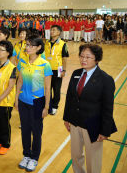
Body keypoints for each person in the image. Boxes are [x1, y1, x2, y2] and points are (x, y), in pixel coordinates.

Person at [63, 44, 117, 173]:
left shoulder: (106, 79)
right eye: (81, 56)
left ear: (97, 59)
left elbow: (108, 107)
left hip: (93, 125)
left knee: (93, 158)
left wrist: (104, 131)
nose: (83, 60)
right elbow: (70, 98)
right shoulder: (76, 73)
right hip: (75, 122)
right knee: (76, 155)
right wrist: (66, 118)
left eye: (88, 57)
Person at [16, 34, 52, 172]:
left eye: (31, 45)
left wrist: (46, 106)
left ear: (38, 48)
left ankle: (34, 158)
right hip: (23, 101)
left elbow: (48, 88)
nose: (27, 47)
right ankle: (26, 155)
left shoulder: (45, 64)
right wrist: (16, 100)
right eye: (27, 45)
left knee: (36, 132)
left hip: (38, 102)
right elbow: (19, 81)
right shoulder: (22, 61)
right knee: (25, 130)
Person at [44, 25, 69, 115]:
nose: (51, 32)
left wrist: (64, 70)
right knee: (47, 88)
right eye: (51, 30)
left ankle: (55, 106)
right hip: (47, 69)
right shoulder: (46, 43)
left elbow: (64, 58)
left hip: (58, 69)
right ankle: (49, 105)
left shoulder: (63, 44)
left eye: (54, 30)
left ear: (59, 32)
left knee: (56, 88)